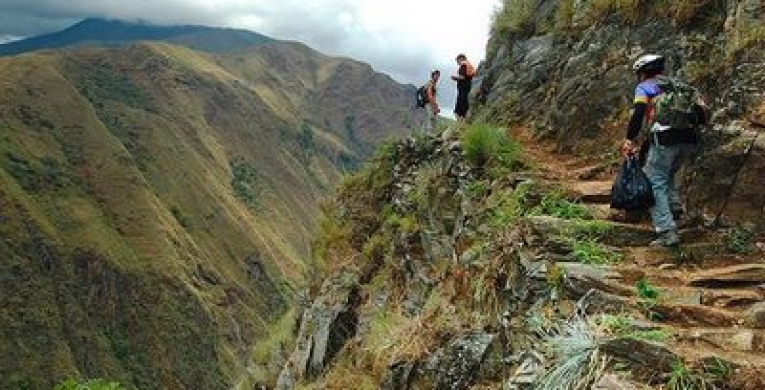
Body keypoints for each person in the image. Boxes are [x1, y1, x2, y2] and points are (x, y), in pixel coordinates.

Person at [622, 54, 708, 247]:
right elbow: (701, 114)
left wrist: (629, 139)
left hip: (665, 138)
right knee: (668, 173)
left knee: (654, 181)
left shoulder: (645, 87)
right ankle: (675, 209)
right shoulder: (679, 86)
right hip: (689, 138)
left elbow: (638, 114)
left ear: (642, 73)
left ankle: (666, 231)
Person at [451, 53, 475, 123]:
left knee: (458, 110)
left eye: (457, 61)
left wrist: (454, 77)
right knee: (464, 106)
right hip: (467, 88)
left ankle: (460, 124)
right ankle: (463, 122)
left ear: (461, 58)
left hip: (463, 89)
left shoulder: (464, 65)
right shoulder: (469, 65)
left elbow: (462, 77)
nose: (457, 63)